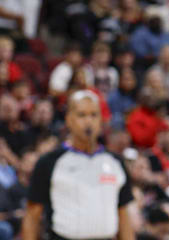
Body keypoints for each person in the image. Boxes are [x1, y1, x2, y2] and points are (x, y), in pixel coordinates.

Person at [23, 90, 135, 240]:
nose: (88, 121)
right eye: (82, 115)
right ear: (69, 119)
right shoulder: (49, 162)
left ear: (101, 120)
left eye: (94, 115)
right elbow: (32, 215)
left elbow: (123, 216)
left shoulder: (116, 163)